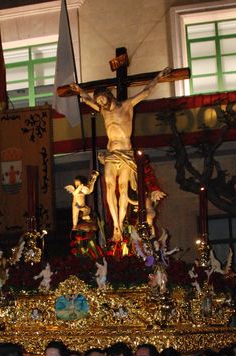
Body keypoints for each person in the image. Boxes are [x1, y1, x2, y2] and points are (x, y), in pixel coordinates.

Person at [70, 67, 172, 241]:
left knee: (123, 189)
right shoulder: (103, 111)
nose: (102, 104)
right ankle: (116, 227)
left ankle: (121, 222)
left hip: (125, 153)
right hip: (111, 153)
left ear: (109, 96)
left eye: (103, 100)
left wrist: (159, 76)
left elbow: (146, 92)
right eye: (100, 102)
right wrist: (80, 90)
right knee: (110, 187)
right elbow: (87, 100)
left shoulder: (126, 105)